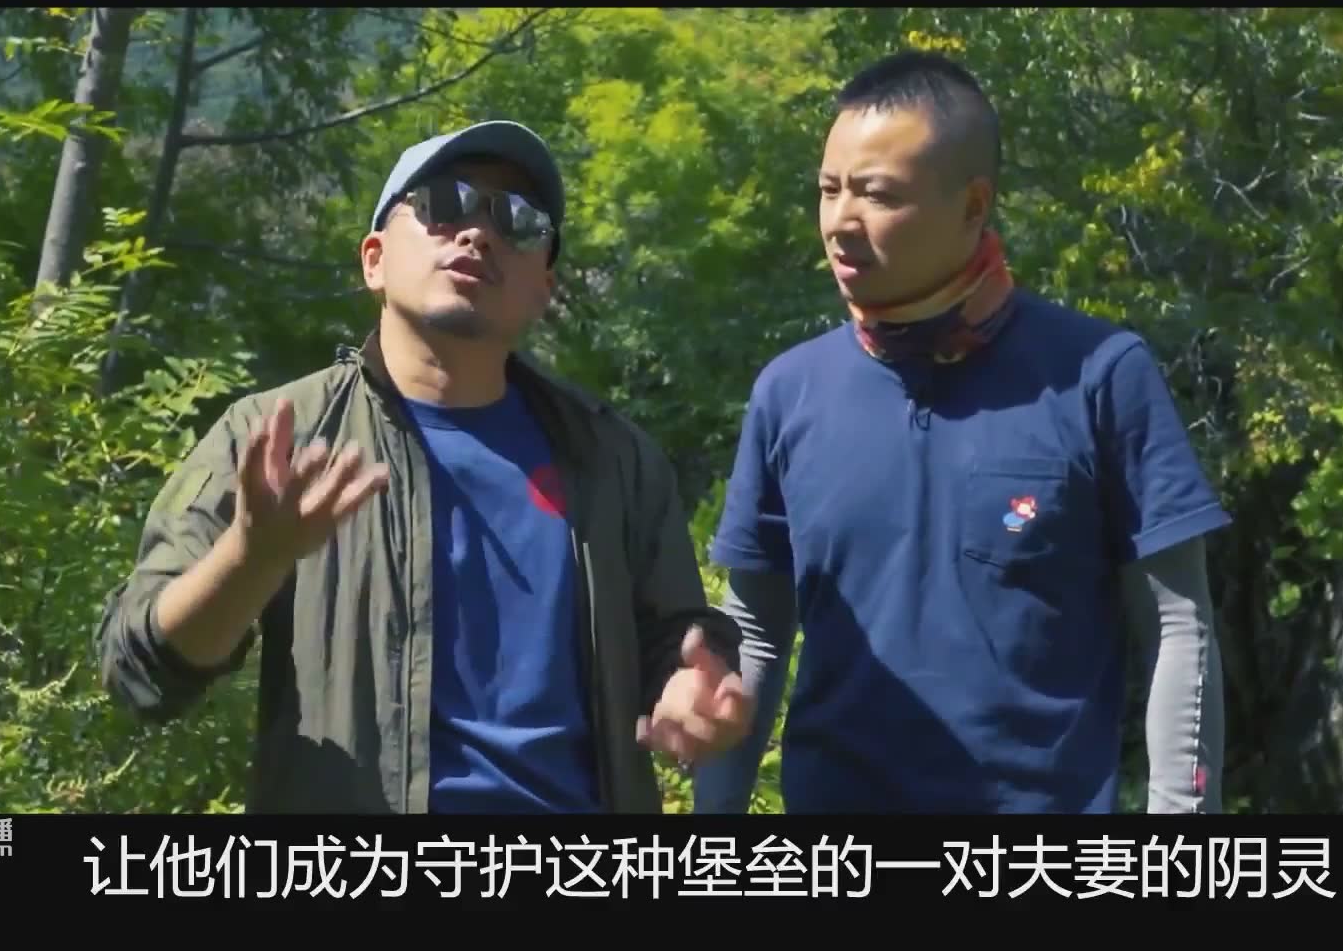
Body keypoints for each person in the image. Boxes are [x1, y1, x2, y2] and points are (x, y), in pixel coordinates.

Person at [96, 120, 752, 815]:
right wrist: (252, 559)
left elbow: (675, 639)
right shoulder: (278, 436)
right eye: (444, 203)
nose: (478, 233)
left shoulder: (611, 457)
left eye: (518, 219)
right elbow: (140, 671)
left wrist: (690, 686)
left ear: (544, 287)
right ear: (374, 260)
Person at [691, 52, 1230, 816]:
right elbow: (756, 631)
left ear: (974, 205)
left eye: (878, 194)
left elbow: (1179, 625)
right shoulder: (790, 391)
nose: (841, 221)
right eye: (829, 190)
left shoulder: (1099, 375)